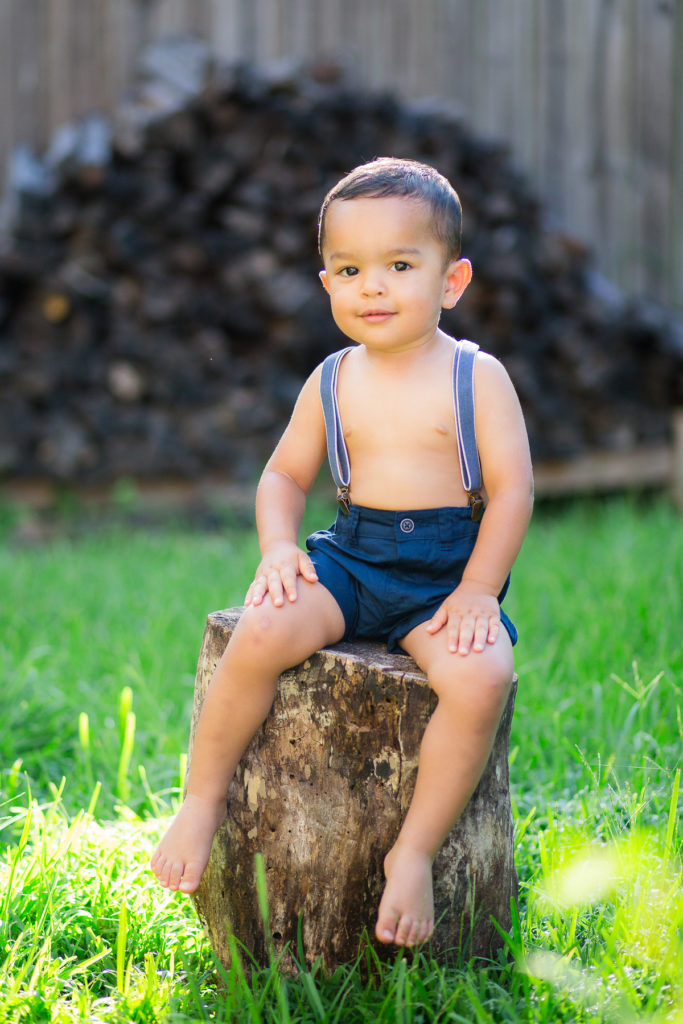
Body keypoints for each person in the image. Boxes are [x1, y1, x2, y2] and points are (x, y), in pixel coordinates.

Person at [151, 157, 533, 948]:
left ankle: (414, 851)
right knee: (259, 633)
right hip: (353, 558)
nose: (373, 287)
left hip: (443, 575)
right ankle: (199, 800)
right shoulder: (331, 379)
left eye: (400, 265)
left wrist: (476, 591)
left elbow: (511, 493)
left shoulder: (474, 376)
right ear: (325, 284)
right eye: (349, 269)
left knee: (480, 676)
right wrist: (279, 547)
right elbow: (284, 474)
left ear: (451, 279)